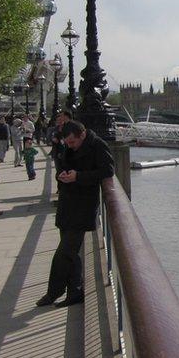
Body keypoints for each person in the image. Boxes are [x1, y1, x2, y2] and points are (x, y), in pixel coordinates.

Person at [37, 120, 114, 308]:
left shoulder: (98, 145)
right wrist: (61, 175)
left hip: (83, 204)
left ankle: (53, 292)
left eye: (72, 142)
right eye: (67, 143)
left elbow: (107, 171)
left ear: (83, 134)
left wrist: (78, 177)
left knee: (64, 252)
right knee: (71, 253)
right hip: (67, 201)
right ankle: (75, 292)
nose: (69, 145)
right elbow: (62, 163)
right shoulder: (72, 145)